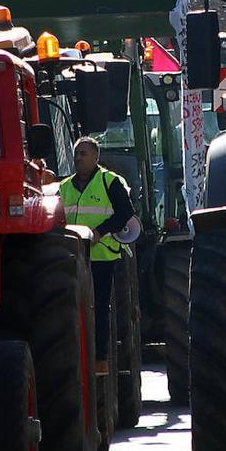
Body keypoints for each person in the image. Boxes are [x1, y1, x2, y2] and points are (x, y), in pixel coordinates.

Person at [59, 137, 135, 375]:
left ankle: (100, 358)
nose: (78, 158)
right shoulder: (65, 186)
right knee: (74, 308)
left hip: (102, 255)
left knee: (99, 307)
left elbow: (126, 213)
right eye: (76, 154)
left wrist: (100, 232)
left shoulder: (109, 181)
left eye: (83, 154)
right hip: (73, 256)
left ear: (95, 157)